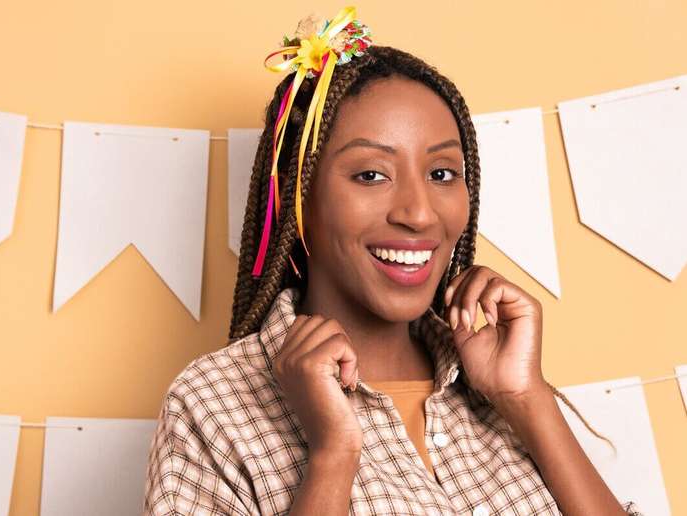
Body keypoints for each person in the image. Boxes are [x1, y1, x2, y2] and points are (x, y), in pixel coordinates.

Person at [143, 7, 643, 515]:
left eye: (443, 174)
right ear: (300, 201)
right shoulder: (213, 404)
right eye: (371, 175)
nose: (419, 213)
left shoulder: (496, 385)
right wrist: (333, 456)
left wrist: (528, 398)